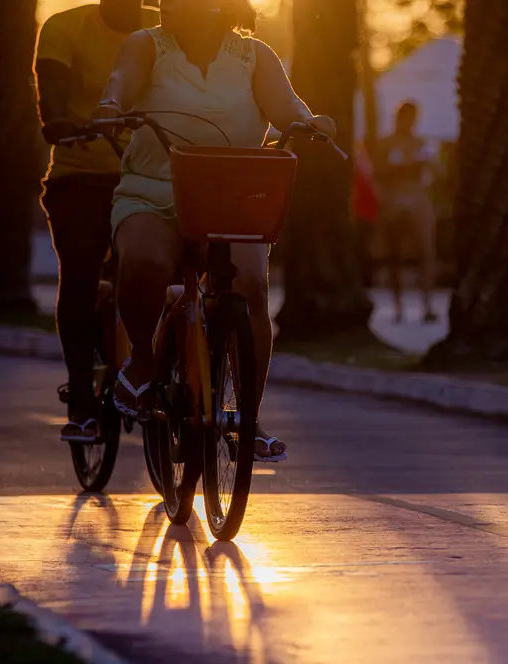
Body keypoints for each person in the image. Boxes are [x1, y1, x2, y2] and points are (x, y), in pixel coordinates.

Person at [95, 0, 335, 463]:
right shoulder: (146, 45)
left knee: (250, 290)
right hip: (153, 191)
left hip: (232, 198)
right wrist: (110, 105)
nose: (168, 7)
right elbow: (120, 82)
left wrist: (307, 121)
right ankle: (143, 360)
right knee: (145, 262)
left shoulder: (254, 55)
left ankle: (248, 419)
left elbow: (286, 104)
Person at [35, 0, 157, 443]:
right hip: (82, 174)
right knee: (82, 272)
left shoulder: (165, 32)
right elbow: (52, 90)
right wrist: (57, 119)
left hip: (148, 173)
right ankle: (83, 399)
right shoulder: (65, 27)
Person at [375, 101, 439, 324]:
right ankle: (398, 306)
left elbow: (437, 170)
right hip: (394, 200)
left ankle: (427, 304)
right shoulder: (386, 144)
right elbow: (378, 172)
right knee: (394, 255)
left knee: (426, 252)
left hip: (417, 198)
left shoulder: (422, 143)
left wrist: (423, 163)